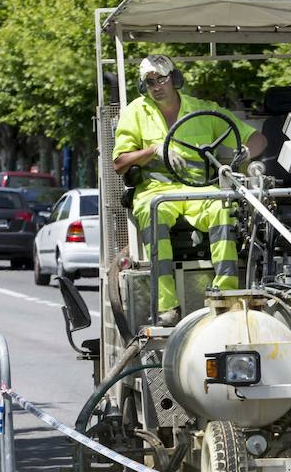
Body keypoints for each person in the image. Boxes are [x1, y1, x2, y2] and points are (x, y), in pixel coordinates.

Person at [111, 54, 266, 327]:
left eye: (162, 79)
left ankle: (226, 294)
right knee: (153, 211)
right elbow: (119, 163)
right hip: (156, 190)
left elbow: (257, 139)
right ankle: (167, 306)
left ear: (175, 78)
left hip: (199, 190)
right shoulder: (135, 112)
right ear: (143, 86)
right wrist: (154, 150)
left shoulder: (202, 110)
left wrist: (243, 155)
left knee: (223, 207)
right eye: (150, 82)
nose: (157, 86)